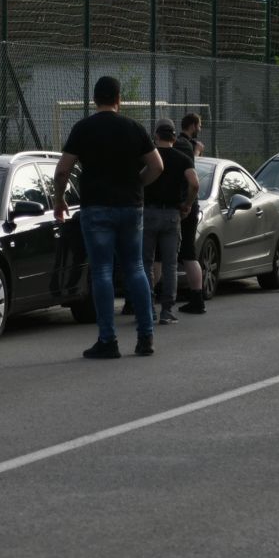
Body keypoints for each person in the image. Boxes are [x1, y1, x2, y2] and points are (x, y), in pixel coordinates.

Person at [55, 76, 163, 358]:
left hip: (96, 207)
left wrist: (59, 199)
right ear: (119, 99)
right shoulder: (134, 128)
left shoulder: (83, 128)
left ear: (95, 100)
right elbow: (157, 166)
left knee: (102, 270)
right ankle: (146, 337)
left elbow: (63, 169)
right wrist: (138, 184)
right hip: (131, 207)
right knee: (135, 268)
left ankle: (108, 340)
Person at [143, 120, 197, 327]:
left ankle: (148, 308)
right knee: (170, 265)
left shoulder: (147, 158)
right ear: (174, 138)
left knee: (146, 263)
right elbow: (194, 183)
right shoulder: (183, 158)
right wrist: (187, 204)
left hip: (148, 213)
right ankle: (167, 311)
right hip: (172, 215)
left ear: (156, 136)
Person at [175, 112, 208, 313]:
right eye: (200, 125)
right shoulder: (185, 145)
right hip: (186, 202)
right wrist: (195, 152)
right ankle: (197, 297)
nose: (200, 129)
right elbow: (190, 171)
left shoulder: (182, 144)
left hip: (184, 202)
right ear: (193, 125)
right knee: (188, 251)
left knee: (179, 252)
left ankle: (196, 298)